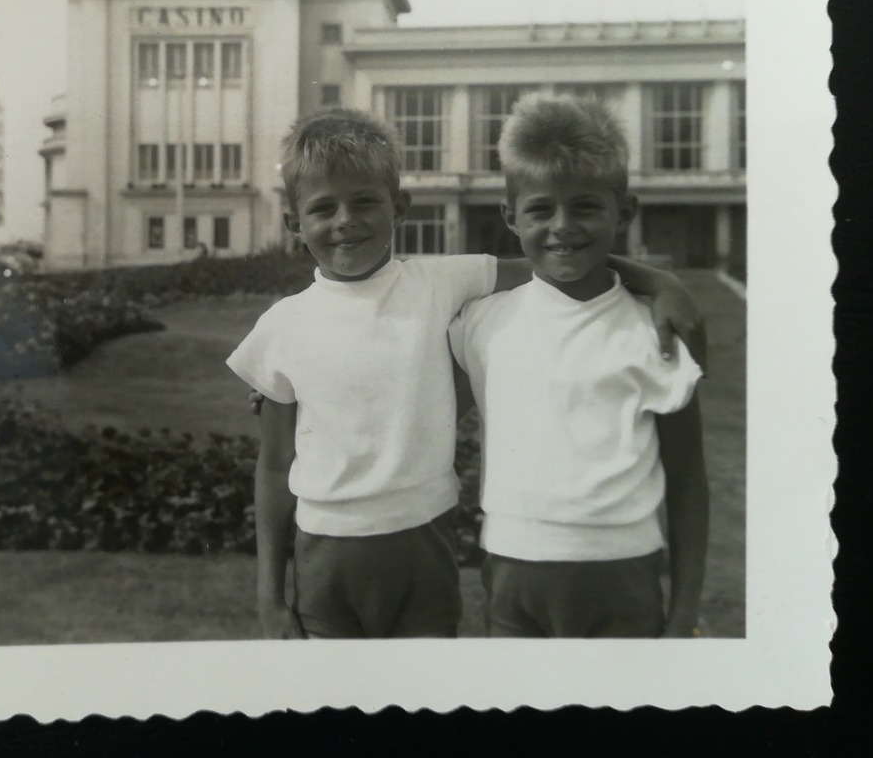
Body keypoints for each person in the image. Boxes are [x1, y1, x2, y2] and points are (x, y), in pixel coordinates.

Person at [227, 108, 703, 640]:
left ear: (398, 206)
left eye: (364, 201)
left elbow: (551, 261)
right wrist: (269, 598)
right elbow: (274, 467)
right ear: (294, 223)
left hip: (426, 543)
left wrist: (660, 282)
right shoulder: (283, 325)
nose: (346, 220)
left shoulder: (444, 282)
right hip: (323, 555)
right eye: (323, 208)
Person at [448, 93, 708, 637]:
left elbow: (688, 482)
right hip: (512, 573)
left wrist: (683, 614)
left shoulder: (656, 329)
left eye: (586, 206)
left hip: (624, 574)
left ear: (625, 212)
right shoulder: (480, 323)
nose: (563, 226)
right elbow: (407, 402)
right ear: (510, 217)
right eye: (541, 209)